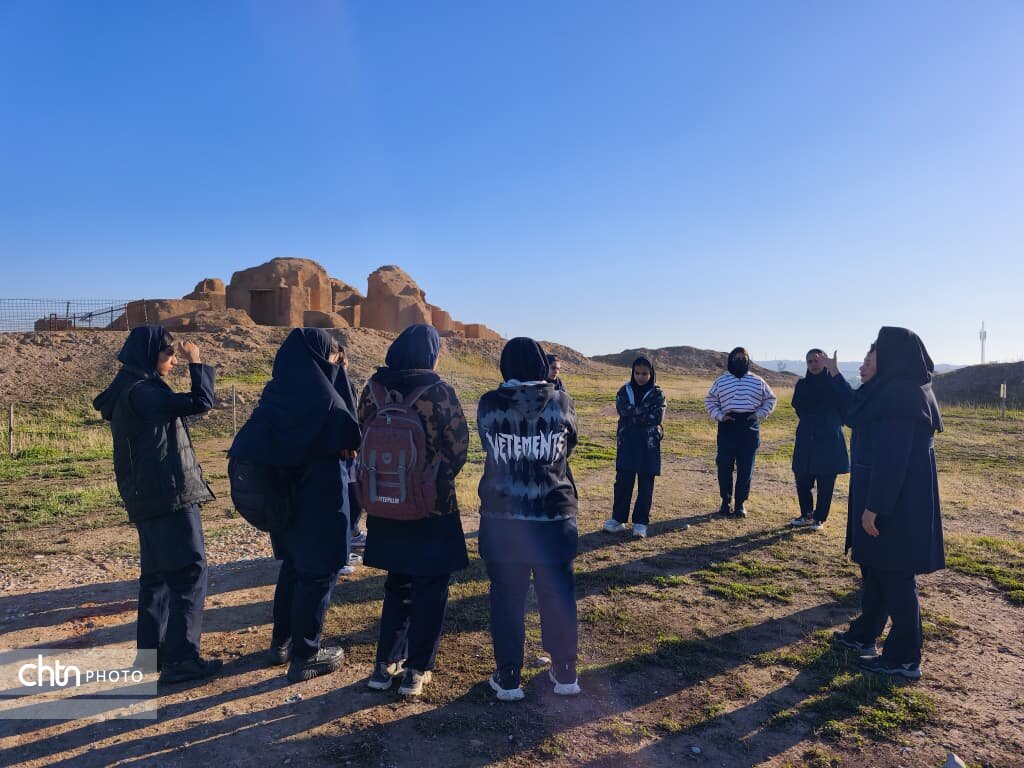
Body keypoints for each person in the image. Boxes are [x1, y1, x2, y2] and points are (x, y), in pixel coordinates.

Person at [229, 328, 361, 683]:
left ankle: (281, 644)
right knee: (318, 573)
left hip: (283, 504)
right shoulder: (327, 405)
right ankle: (306, 655)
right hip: (320, 499)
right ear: (321, 359)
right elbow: (350, 435)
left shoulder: (278, 392)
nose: (338, 366)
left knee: (293, 568)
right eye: (334, 359)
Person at [93, 325, 221, 684]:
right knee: (190, 574)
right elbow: (201, 402)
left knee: (156, 579)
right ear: (150, 357)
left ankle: (150, 657)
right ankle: (181, 660)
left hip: (149, 497)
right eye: (169, 356)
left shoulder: (129, 390)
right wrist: (198, 362)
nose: (174, 362)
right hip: (168, 497)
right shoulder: (144, 393)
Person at [357, 324, 470, 697]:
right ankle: (417, 670)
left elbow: (362, 437)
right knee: (431, 587)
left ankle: (383, 665)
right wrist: (431, 480)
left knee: (397, 583)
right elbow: (457, 449)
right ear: (429, 353)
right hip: (431, 507)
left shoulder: (372, 391)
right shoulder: (438, 393)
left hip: (384, 502)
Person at [832, 328, 944, 680]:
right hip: (885, 496)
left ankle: (904, 657)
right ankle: (866, 635)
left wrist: (875, 506)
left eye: (873, 355)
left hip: (895, 502)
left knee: (895, 575)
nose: (866, 360)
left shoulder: (902, 396)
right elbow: (856, 411)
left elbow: (893, 459)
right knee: (877, 569)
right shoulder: (894, 390)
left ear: (893, 357)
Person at [477, 337, 581, 701]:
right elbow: (570, 444)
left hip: (504, 519)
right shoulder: (562, 401)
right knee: (559, 595)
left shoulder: (490, 403)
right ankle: (565, 670)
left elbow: (488, 442)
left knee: (507, 598)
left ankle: (508, 676)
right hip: (555, 515)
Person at [704, 347, 777, 517]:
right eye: (735, 358)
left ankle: (740, 504)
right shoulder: (721, 381)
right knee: (724, 466)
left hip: (749, 427)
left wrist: (759, 414)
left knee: (746, 469)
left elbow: (771, 399)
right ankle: (725, 501)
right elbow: (710, 400)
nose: (739, 361)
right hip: (728, 425)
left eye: (743, 358)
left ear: (748, 361)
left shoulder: (757, 381)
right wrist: (720, 416)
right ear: (730, 361)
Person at [789, 349, 853, 530]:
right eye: (809, 361)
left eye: (817, 361)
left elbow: (849, 399)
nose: (813, 365)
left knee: (826, 481)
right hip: (806, 436)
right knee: (802, 477)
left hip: (829, 437)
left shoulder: (835, 383)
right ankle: (806, 514)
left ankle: (820, 518)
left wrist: (835, 371)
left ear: (825, 362)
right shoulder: (802, 384)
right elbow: (799, 408)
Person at [602, 356, 666, 538]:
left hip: (648, 445)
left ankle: (641, 522)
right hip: (627, 442)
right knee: (623, 481)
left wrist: (631, 413)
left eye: (645, 373)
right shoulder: (624, 390)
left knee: (646, 484)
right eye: (637, 373)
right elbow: (622, 409)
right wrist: (641, 413)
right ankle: (618, 519)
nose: (640, 377)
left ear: (651, 373)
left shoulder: (657, 393)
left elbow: (657, 418)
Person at [337, 345, 365, 574]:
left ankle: (350, 538)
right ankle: (341, 554)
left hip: (350, 454)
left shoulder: (346, 385)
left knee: (354, 501)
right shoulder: (335, 385)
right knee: (344, 503)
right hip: (342, 455)